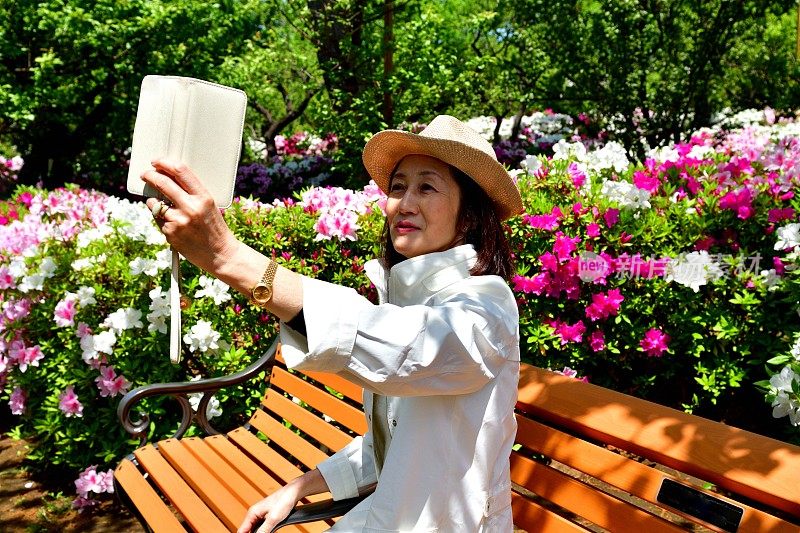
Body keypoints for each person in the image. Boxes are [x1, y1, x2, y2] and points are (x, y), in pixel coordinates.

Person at [141, 115, 523, 532]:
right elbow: (396, 447)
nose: (404, 203)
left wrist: (230, 258)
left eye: (426, 187)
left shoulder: (487, 306)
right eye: (398, 187)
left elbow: (408, 352)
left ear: (469, 216)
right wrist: (299, 487)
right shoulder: (408, 297)